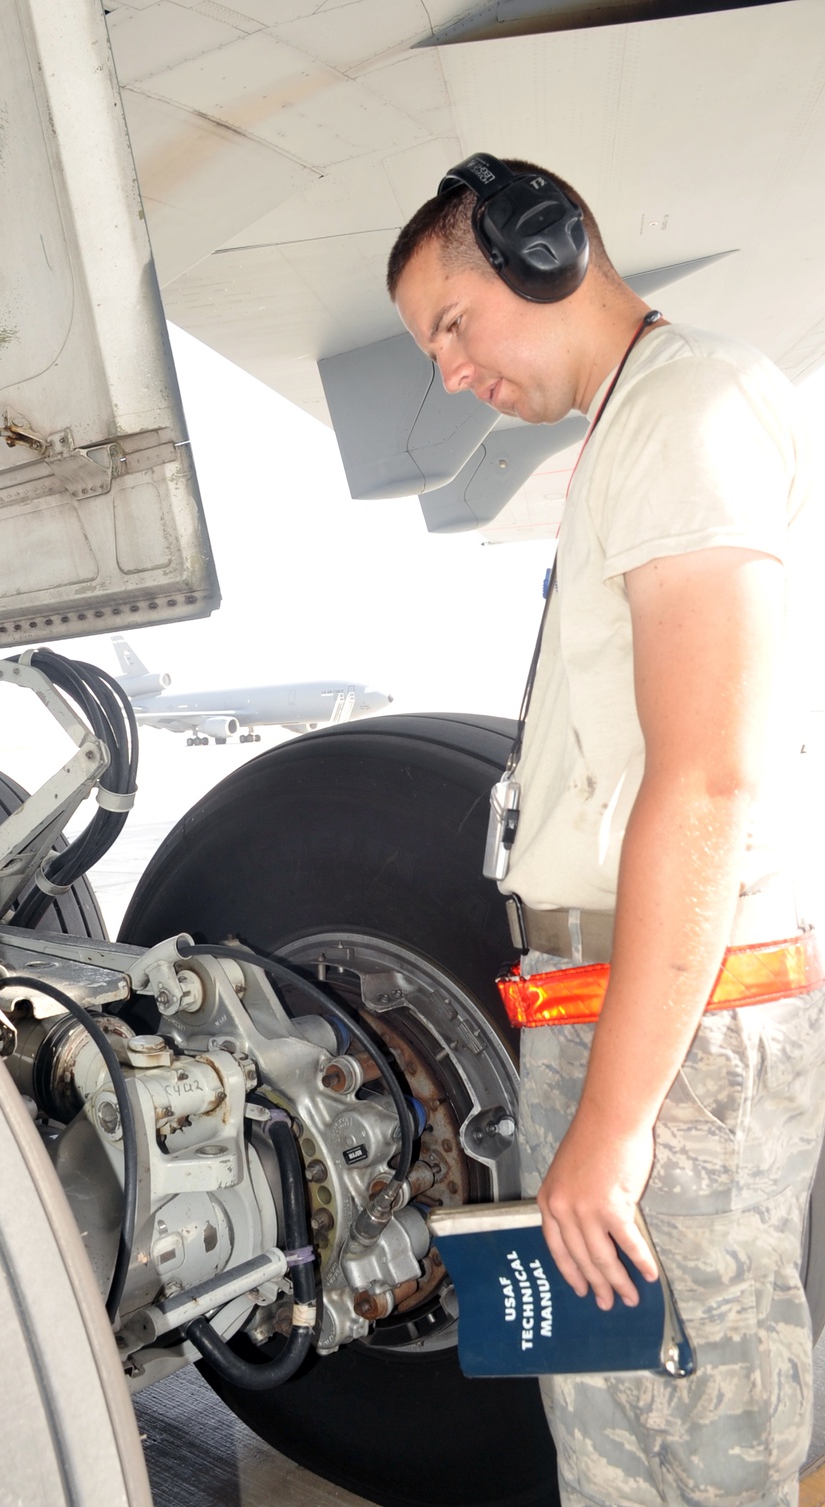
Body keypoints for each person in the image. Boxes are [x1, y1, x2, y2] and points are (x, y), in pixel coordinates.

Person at [388, 156, 825, 1506]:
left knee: (703, 1447)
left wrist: (620, 1121)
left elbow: (707, 782)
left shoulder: (690, 407)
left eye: (454, 323)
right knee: (622, 1444)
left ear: (543, 250)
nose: (450, 372)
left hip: (679, 1043)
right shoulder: (635, 429)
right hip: (618, 1014)